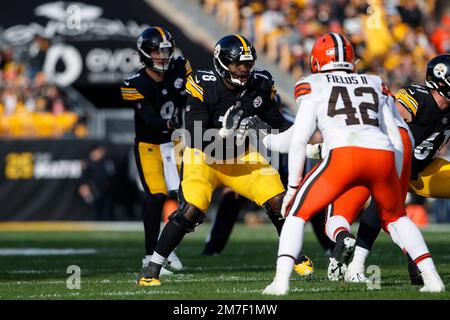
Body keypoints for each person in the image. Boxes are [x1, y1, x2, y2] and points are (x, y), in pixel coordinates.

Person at [260, 32, 444, 295]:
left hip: (345, 155)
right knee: (397, 217)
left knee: (296, 214)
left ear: (317, 62)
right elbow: (396, 133)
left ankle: (280, 282)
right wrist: (395, 175)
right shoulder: (374, 82)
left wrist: (292, 187)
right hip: (382, 155)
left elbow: (299, 139)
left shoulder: (313, 84)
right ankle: (433, 278)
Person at [137, 34, 312, 286]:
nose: (243, 70)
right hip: (203, 158)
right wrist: (223, 133)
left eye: (246, 64)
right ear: (221, 63)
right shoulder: (203, 84)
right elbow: (195, 136)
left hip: (240, 157)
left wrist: (306, 138)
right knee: (190, 211)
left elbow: (278, 122)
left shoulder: (260, 83)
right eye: (236, 64)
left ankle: (292, 255)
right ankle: (152, 268)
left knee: (279, 201)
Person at [341, 54, 450, 284]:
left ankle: (413, 262)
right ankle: (357, 264)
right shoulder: (417, 98)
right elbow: (384, 118)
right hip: (396, 165)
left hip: (424, 169)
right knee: (384, 206)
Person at [121, 26, 192, 277]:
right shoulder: (134, 83)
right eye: (157, 51)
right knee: (156, 196)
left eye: (166, 51)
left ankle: (166, 248)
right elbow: (151, 120)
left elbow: (194, 97)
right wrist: (175, 122)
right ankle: (149, 256)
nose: (163, 56)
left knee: (187, 197)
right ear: (144, 53)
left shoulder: (181, 67)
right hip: (149, 144)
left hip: (176, 141)